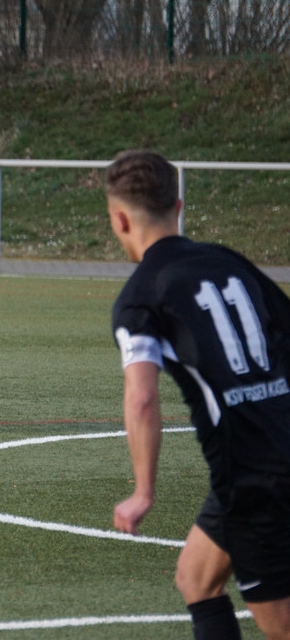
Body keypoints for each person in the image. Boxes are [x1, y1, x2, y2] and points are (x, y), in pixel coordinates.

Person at [107, 150, 290, 639]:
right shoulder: (230, 262)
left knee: (280, 623)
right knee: (196, 578)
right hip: (268, 451)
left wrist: (143, 492)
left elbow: (141, 398)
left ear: (119, 219)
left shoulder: (140, 297)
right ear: (179, 207)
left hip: (253, 473)